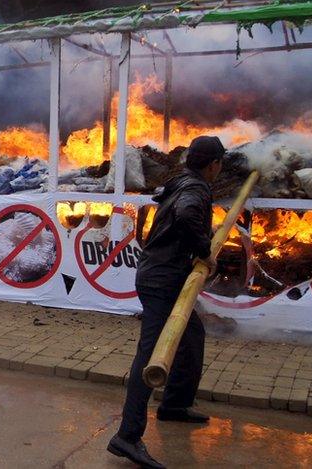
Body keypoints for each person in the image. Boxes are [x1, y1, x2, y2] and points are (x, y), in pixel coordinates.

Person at [107, 136, 225, 469]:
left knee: (191, 336)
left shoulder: (181, 180)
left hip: (160, 274)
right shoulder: (196, 189)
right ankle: (127, 437)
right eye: (220, 163)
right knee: (151, 358)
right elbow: (187, 215)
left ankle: (174, 404)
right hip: (162, 279)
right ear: (213, 164)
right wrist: (204, 250)